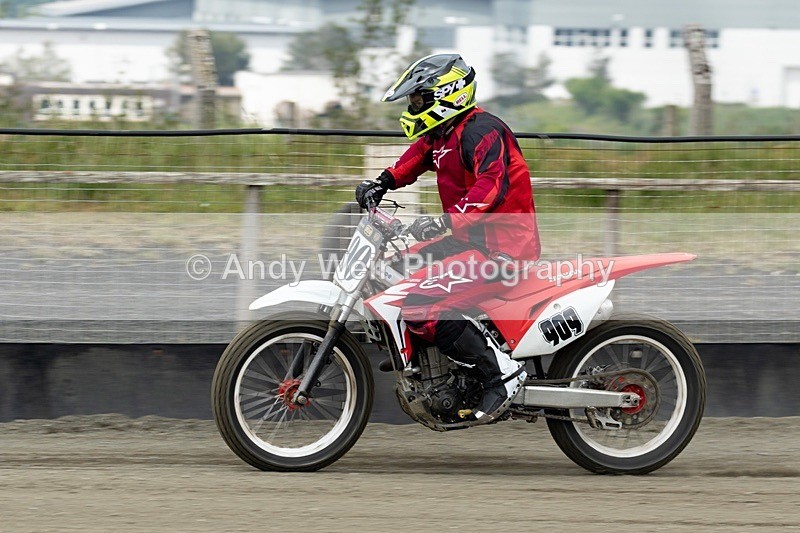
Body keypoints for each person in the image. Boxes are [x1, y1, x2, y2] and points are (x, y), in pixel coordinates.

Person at [355, 53, 540, 424]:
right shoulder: (444, 134)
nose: (414, 107)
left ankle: (501, 375)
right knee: (391, 274)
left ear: (447, 94)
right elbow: (414, 159)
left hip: (502, 249)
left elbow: (492, 185)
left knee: (424, 303)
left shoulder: (482, 131)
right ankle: (438, 370)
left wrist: (444, 222)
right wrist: (382, 182)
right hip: (468, 241)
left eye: (418, 99)